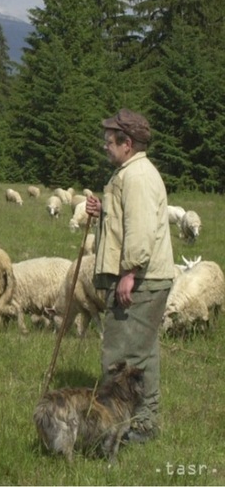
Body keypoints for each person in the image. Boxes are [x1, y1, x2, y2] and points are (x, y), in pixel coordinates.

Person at [85, 108, 175, 444]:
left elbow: (139, 231)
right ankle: (145, 423)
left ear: (128, 144)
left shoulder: (136, 177)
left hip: (142, 279)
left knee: (120, 357)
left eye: (110, 141)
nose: (105, 146)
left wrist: (130, 273)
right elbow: (130, 218)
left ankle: (115, 427)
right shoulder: (132, 173)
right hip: (151, 278)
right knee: (144, 354)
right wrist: (104, 210)